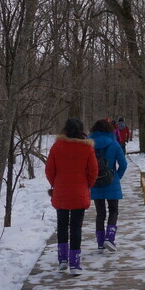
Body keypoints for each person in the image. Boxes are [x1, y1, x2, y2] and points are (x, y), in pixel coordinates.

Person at [46, 117, 97, 276]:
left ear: (65, 129)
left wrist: (55, 183)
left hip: (61, 192)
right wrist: (87, 185)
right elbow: (93, 171)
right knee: (76, 227)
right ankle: (75, 263)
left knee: (62, 225)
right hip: (79, 192)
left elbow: (49, 170)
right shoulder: (87, 148)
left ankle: (62, 259)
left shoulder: (57, 147)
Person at [89, 119, 128, 252]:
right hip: (111, 181)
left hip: (95, 182)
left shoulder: (88, 145)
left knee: (100, 213)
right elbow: (123, 165)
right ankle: (109, 238)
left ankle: (100, 243)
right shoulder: (114, 144)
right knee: (113, 210)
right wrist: (116, 177)